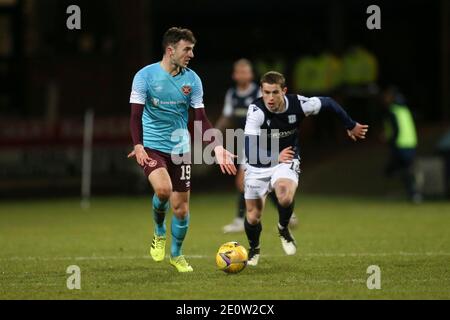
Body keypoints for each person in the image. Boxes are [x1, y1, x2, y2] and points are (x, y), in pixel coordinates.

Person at [128, 27, 236, 272]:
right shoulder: (145, 76)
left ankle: (176, 255)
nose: (191, 54)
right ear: (170, 50)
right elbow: (135, 116)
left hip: (180, 148)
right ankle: (158, 230)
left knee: (181, 208)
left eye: (192, 49)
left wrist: (217, 147)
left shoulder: (192, 80)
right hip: (152, 146)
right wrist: (138, 144)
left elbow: (200, 119)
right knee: (163, 191)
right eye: (187, 49)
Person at [244, 71, 368, 266]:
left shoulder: (299, 105)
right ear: (261, 91)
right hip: (258, 163)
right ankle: (254, 248)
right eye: (266, 92)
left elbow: (328, 102)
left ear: (284, 91)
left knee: (284, 196)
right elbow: (250, 152)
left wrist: (350, 125)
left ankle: (283, 228)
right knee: (253, 217)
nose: (270, 98)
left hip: (287, 157)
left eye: (275, 92)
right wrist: (274, 157)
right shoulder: (256, 111)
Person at [216, 59, 298, 233]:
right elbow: (227, 116)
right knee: (251, 182)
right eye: (240, 71)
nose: (243, 75)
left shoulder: (260, 93)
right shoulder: (232, 94)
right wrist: (214, 132)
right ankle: (286, 214)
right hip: (248, 142)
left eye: (246, 71)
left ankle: (241, 219)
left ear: (251, 75)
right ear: (234, 75)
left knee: (244, 181)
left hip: (265, 141)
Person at [382, 86, 421, 203]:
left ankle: (413, 193)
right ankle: (413, 193)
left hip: (400, 145)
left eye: (387, 96)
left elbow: (396, 130)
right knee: (405, 169)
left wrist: (389, 141)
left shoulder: (392, 111)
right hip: (411, 144)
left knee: (395, 170)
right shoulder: (405, 110)